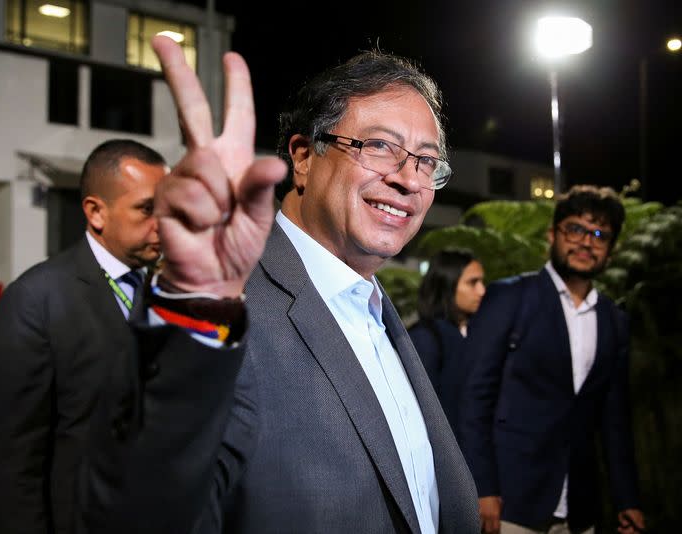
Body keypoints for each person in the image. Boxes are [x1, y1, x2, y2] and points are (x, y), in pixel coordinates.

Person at [78, 36, 479, 534]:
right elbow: (140, 510)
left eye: (425, 160)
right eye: (380, 147)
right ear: (304, 157)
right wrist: (193, 303)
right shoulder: (227, 311)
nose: (409, 179)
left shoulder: (374, 306)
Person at [0, 139, 168, 534]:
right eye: (147, 209)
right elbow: (12, 460)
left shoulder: (168, 290)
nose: (162, 224)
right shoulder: (37, 298)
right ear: (96, 212)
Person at [458, 185, 645, 534]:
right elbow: (473, 399)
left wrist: (627, 499)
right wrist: (481, 486)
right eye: (575, 229)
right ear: (552, 235)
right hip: (509, 501)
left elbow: (615, 419)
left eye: (600, 234)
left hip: (579, 507)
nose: (587, 242)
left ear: (611, 249)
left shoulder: (613, 320)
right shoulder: (509, 297)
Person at [408, 248, 485, 433]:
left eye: (482, 282)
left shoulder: (478, 332)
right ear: (447, 284)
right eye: (472, 283)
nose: (482, 291)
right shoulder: (425, 338)